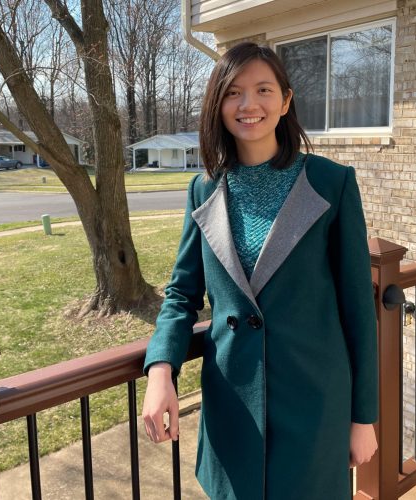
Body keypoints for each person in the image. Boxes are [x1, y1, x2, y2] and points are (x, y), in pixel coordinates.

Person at [142, 42, 378, 500]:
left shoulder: (333, 182)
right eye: (233, 93)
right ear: (218, 105)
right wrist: (160, 370)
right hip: (233, 406)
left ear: (286, 101)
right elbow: (181, 294)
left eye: (263, 90)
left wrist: (363, 416)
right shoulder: (203, 188)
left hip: (314, 404)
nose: (249, 105)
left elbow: (358, 311)